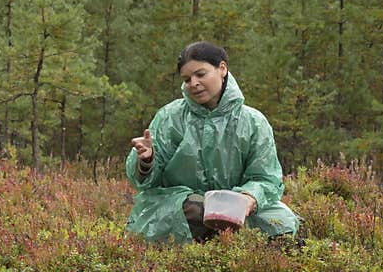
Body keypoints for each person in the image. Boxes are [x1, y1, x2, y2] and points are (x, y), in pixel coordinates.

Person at [125, 41, 300, 243]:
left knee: (283, 223)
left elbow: (265, 178)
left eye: (201, 74)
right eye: (187, 79)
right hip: (181, 206)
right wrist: (146, 161)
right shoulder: (170, 117)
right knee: (196, 209)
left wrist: (249, 198)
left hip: (239, 206)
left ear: (222, 69)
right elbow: (145, 183)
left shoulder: (253, 122)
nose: (194, 83)